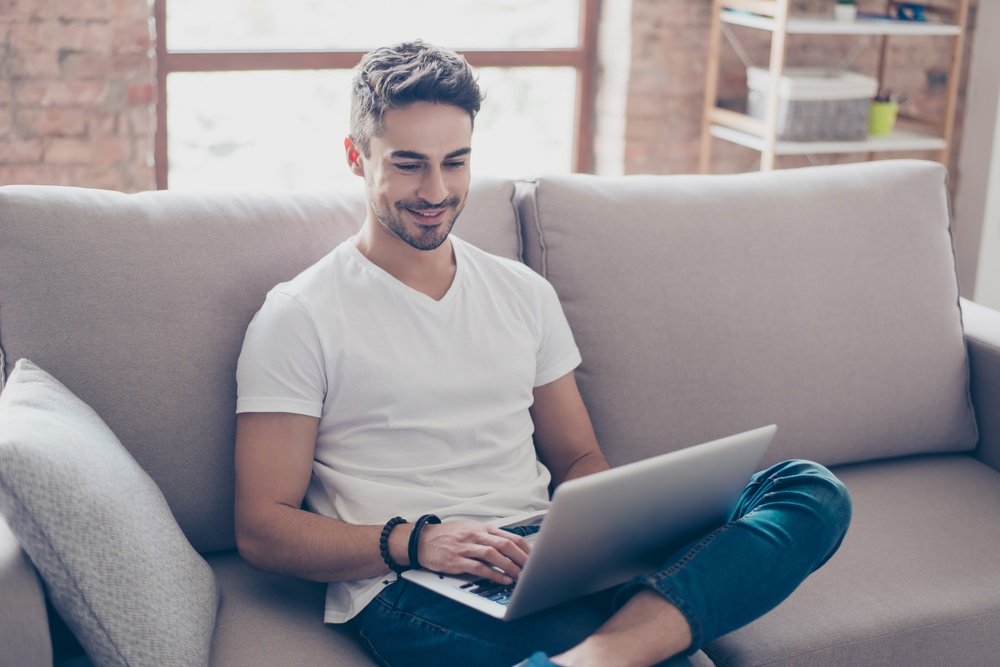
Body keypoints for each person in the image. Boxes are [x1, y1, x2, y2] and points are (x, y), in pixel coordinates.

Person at [234, 41, 852, 667]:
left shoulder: (522, 292)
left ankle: (605, 653)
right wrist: (419, 542)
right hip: (409, 581)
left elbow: (578, 455)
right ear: (355, 156)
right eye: (408, 164)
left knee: (808, 491)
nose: (436, 189)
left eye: (456, 162)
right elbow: (263, 528)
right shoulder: (300, 315)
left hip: (542, 552)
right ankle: (643, 641)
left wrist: (596, 537)